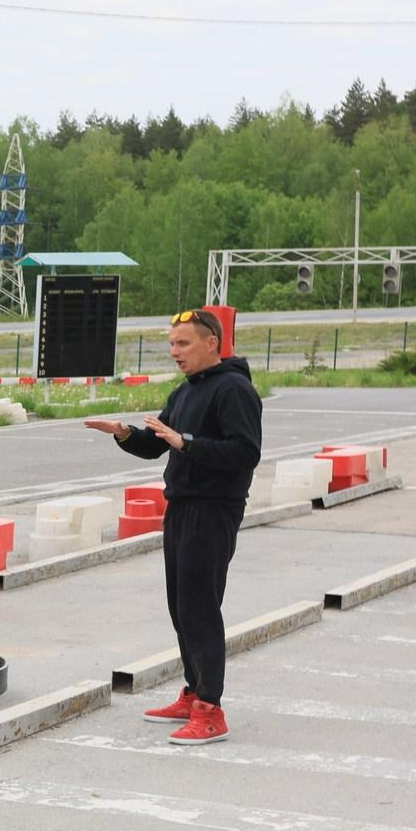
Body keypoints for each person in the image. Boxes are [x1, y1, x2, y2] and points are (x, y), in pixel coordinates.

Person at [85, 308, 263, 745]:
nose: (174, 353)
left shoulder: (234, 389)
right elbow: (159, 445)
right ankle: (193, 689)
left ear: (211, 344)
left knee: (201, 607)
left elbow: (244, 452)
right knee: (181, 607)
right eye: (172, 344)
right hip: (182, 507)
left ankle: (211, 709)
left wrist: (188, 443)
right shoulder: (187, 391)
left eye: (183, 344)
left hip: (214, 509)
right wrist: (126, 432)